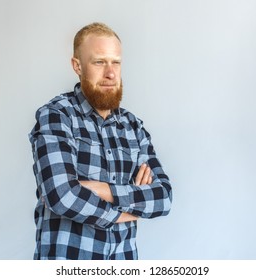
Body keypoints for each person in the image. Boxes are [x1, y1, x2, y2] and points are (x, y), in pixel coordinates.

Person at [28, 22, 172, 260]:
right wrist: (123, 210)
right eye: (99, 62)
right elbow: (61, 196)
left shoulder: (133, 127)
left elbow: (163, 197)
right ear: (77, 66)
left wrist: (99, 189)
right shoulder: (57, 116)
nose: (111, 73)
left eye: (116, 62)